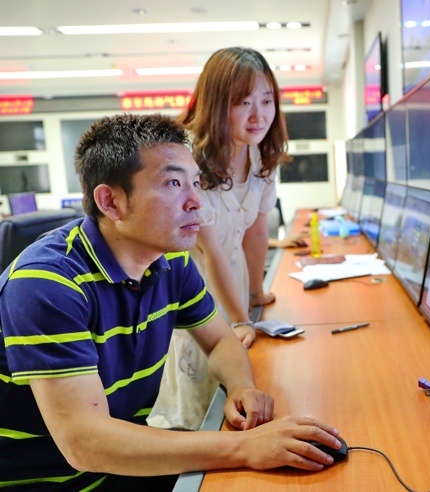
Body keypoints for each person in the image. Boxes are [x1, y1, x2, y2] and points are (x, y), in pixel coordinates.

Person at [0, 113, 342, 491]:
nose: (197, 202)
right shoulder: (47, 282)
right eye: (174, 182)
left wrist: (242, 387)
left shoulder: (170, 261)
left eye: (196, 182)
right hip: (51, 480)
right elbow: (85, 443)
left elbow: (220, 340)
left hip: (122, 465)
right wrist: (243, 445)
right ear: (110, 201)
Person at [149, 46, 294, 431]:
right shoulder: (190, 162)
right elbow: (210, 250)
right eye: (243, 102)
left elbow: (257, 232)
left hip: (237, 290)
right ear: (216, 104)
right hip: (197, 296)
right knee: (200, 409)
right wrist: (240, 319)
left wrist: (257, 295)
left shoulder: (261, 157)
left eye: (267, 100)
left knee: (244, 396)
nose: (258, 115)